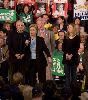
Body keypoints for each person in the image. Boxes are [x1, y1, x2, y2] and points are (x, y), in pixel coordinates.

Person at [62, 23, 80, 97]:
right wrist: (66, 54)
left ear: (73, 28)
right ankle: (67, 91)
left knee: (73, 75)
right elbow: (63, 47)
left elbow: (77, 47)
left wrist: (71, 55)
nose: (68, 28)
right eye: (68, 27)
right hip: (66, 59)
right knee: (67, 76)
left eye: (70, 27)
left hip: (73, 59)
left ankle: (74, 92)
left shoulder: (77, 37)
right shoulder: (66, 37)